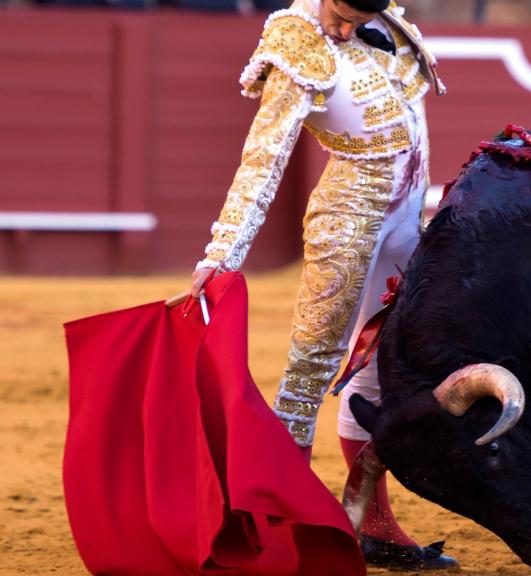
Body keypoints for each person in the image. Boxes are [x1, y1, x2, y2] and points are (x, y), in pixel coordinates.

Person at [188, 0, 457, 570]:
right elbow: (263, 158)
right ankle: (282, 526)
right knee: (312, 366)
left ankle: (371, 522)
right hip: (347, 219)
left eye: (358, 17)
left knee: (388, 361)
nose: (343, 29)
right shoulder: (295, 38)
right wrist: (223, 252)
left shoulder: (388, 25)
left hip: (408, 217)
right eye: (339, 12)